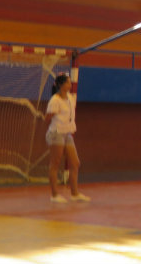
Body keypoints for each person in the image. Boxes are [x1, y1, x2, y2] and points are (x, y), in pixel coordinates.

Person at [45, 73, 90, 203]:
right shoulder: (55, 100)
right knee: (55, 163)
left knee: (75, 163)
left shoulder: (70, 97)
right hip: (56, 133)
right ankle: (54, 195)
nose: (70, 84)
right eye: (68, 82)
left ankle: (74, 193)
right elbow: (47, 117)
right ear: (61, 85)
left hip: (67, 133)